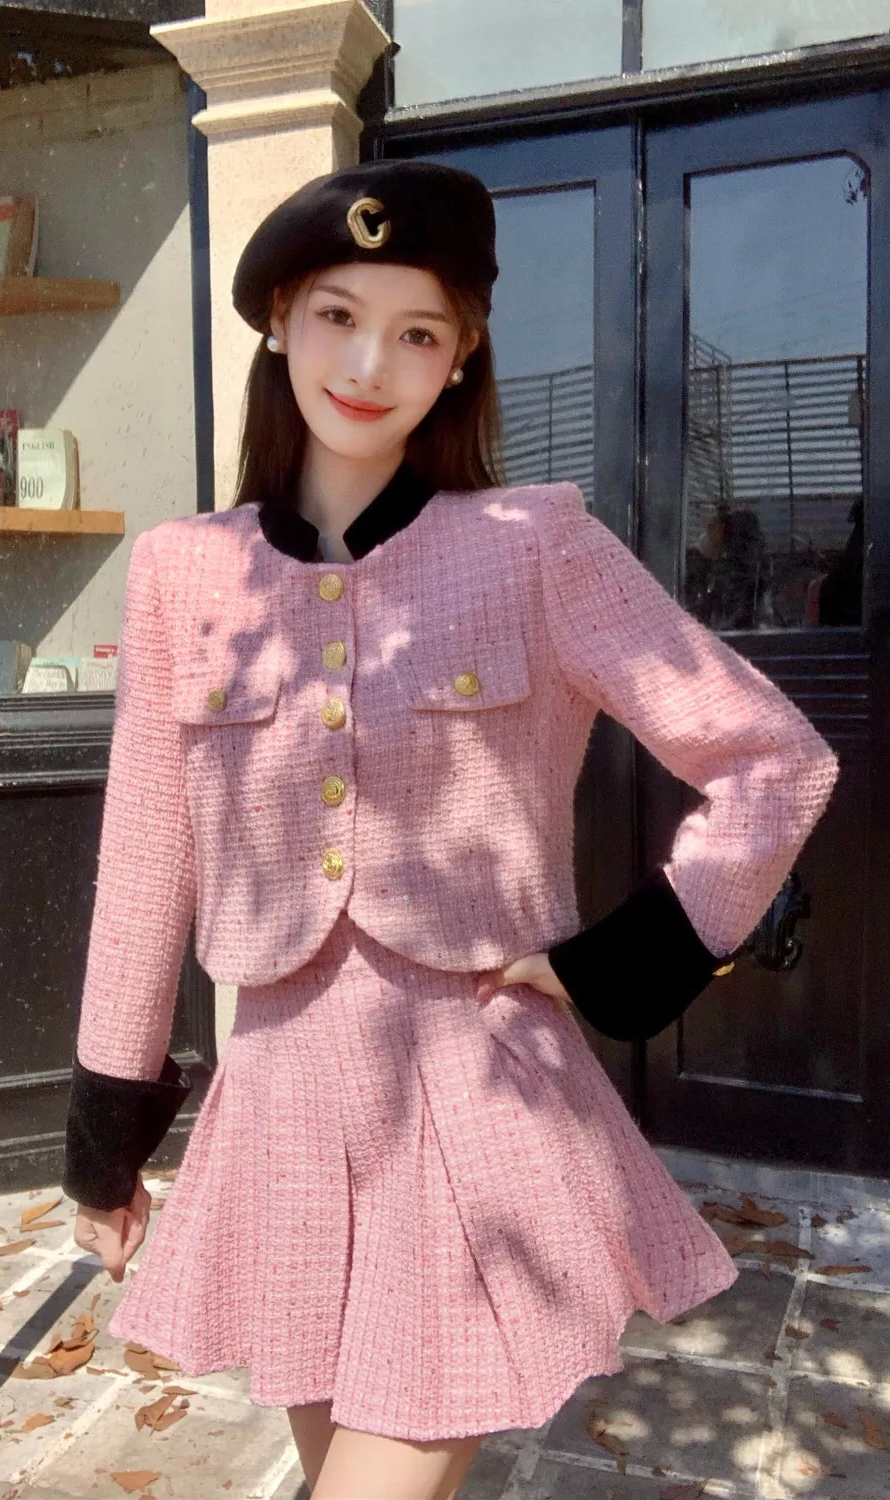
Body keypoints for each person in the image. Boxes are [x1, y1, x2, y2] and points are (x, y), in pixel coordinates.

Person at [62, 160, 840, 1500]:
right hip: (282, 1099)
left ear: (463, 355)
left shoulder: (536, 547)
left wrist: (629, 960)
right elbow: (145, 859)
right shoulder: (184, 572)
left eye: (418, 332)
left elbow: (775, 758)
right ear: (280, 321)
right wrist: (107, 1136)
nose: (371, 365)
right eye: (337, 316)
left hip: (477, 1090)